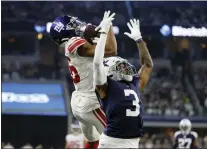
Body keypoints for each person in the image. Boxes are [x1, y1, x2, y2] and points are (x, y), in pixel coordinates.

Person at [49, 11, 117, 148]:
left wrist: (98, 31)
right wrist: (108, 26)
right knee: (117, 139)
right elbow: (111, 51)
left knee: (93, 143)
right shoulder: (74, 42)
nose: (77, 24)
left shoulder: (75, 44)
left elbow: (98, 44)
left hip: (80, 100)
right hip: (91, 102)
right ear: (66, 31)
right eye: (72, 24)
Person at [93, 18, 153, 148]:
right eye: (118, 65)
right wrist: (103, 34)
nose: (124, 66)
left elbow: (148, 64)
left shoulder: (135, 83)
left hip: (133, 142)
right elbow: (97, 63)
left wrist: (139, 39)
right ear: (108, 71)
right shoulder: (106, 86)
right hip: (112, 142)